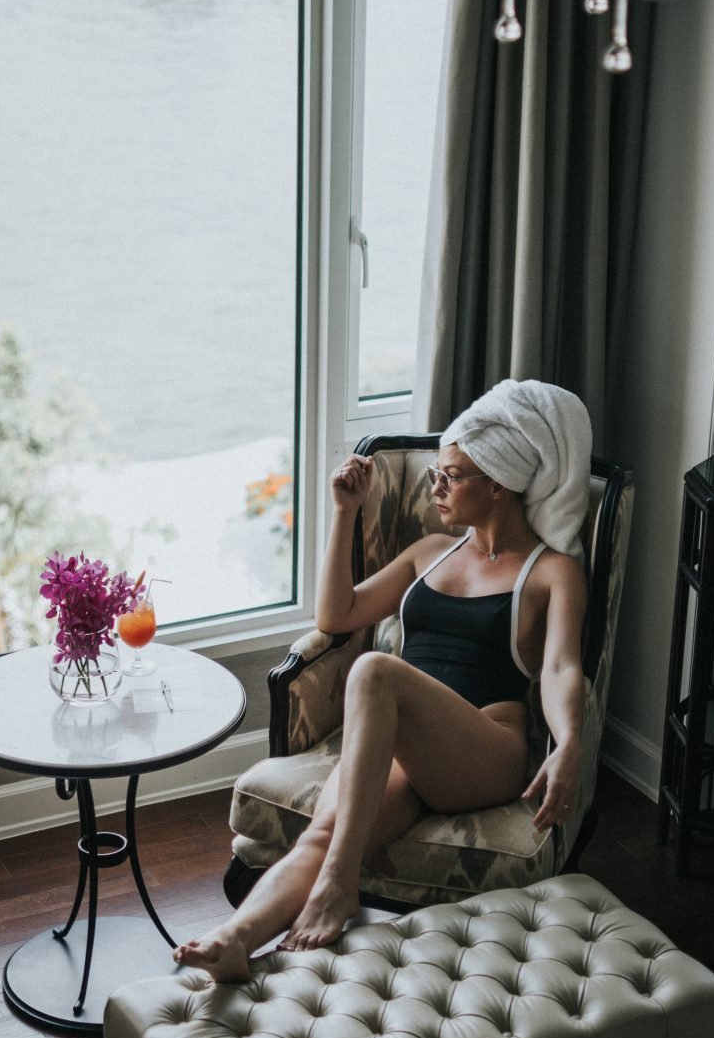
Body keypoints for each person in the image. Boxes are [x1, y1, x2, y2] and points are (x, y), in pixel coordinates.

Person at [173, 378, 593, 981]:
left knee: (374, 669)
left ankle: (340, 884)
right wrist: (345, 512)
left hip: (485, 749)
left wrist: (569, 742)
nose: (436, 487)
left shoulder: (552, 572)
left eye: (451, 476)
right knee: (324, 832)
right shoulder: (431, 552)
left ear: (499, 483)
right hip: (401, 748)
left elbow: (560, 667)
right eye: (436, 474)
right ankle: (235, 939)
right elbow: (336, 615)